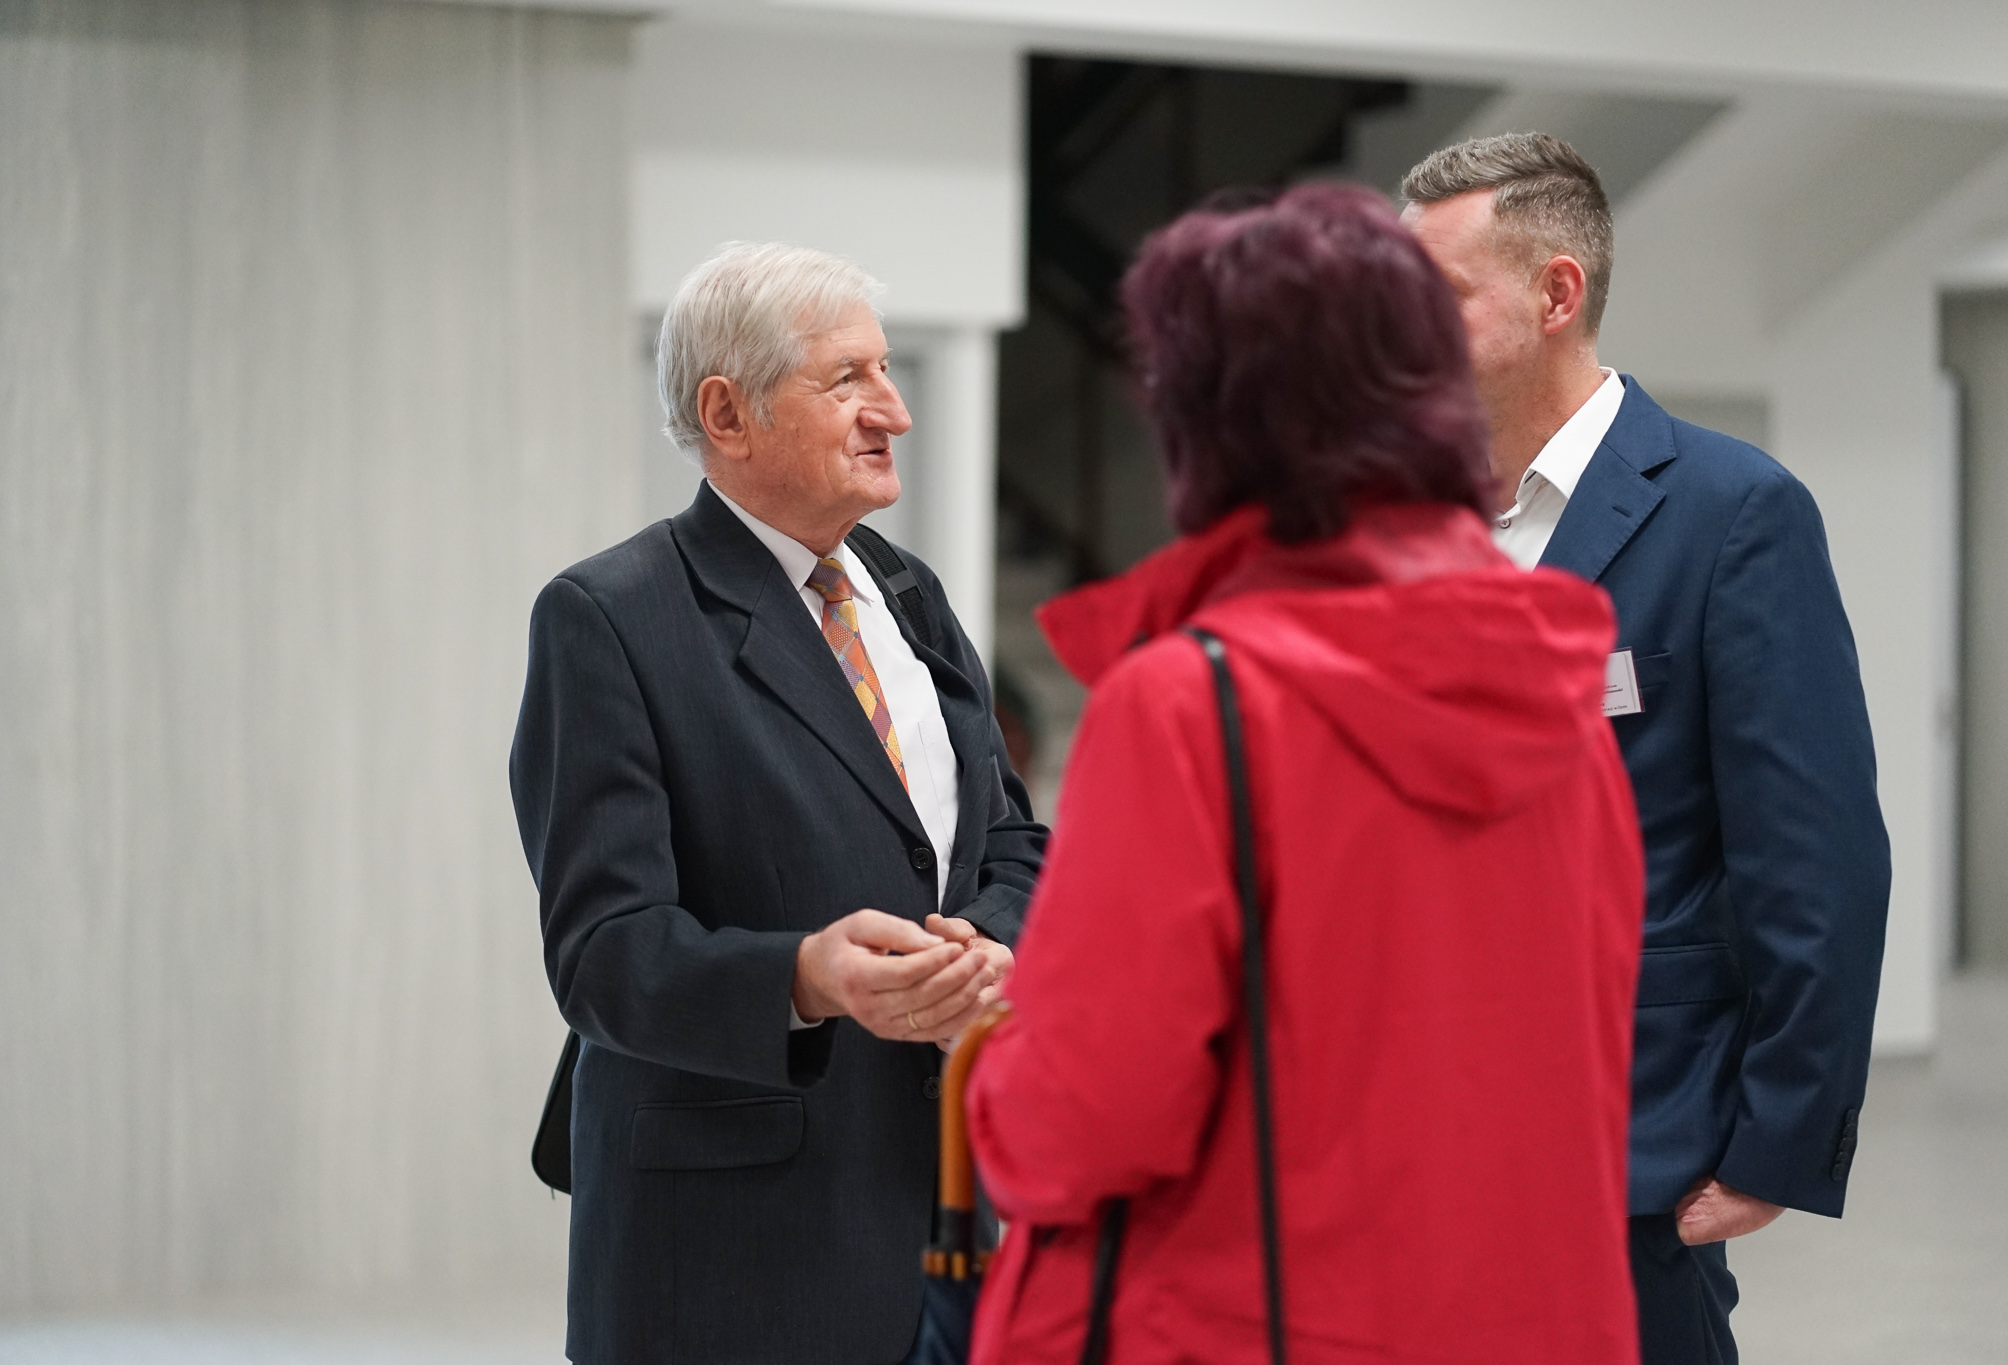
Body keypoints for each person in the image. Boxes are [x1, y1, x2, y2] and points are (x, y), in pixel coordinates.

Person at [963, 184, 1644, 1365]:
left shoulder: (1192, 702)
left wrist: (988, 1071)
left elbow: (1080, 1118)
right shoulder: (1554, 682)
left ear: (1206, 414)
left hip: (1242, 1322)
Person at [1401, 133, 1891, 1365]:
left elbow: (1815, 859)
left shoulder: (1729, 513)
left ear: (1555, 295)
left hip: (1627, 1138)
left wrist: (1777, 1142)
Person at [509, 242, 1046, 1365]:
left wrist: (992, 942)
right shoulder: (608, 617)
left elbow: (1007, 835)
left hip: (941, 1214)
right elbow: (605, 954)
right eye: (848, 378)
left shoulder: (907, 590)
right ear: (727, 414)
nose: (893, 411)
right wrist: (808, 976)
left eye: (887, 370)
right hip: (729, 1254)